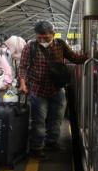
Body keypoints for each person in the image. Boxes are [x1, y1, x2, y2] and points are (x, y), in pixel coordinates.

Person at [19, 21, 87, 159]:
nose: (42, 40)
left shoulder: (60, 44)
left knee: (56, 118)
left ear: (53, 35)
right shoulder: (30, 47)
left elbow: (75, 58)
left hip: (57, 89)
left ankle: (52, 142)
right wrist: (22, 83)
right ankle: (36, 148)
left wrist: (91, 53)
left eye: (46, 38)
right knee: (38, 121)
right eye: (39, 38)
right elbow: (23, 67)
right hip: (38, 90)